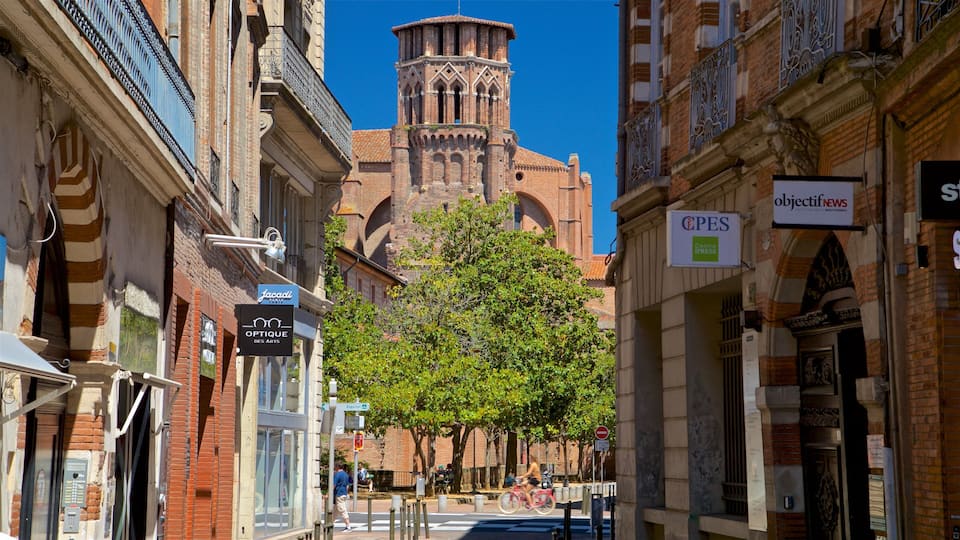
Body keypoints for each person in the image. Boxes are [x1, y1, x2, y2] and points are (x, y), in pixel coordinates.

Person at [333, 463, 353, 532]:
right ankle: (330, 524)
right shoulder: (345, 474)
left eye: (335, 466)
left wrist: (328, 494)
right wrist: (346, 493)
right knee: (335, 510)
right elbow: (347, 486)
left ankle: (348, 526)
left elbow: (333, 485)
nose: (334, 467)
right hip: (344, 493)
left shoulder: (337, 474)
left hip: (339, 494)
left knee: (342, 510)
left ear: (337, 466)